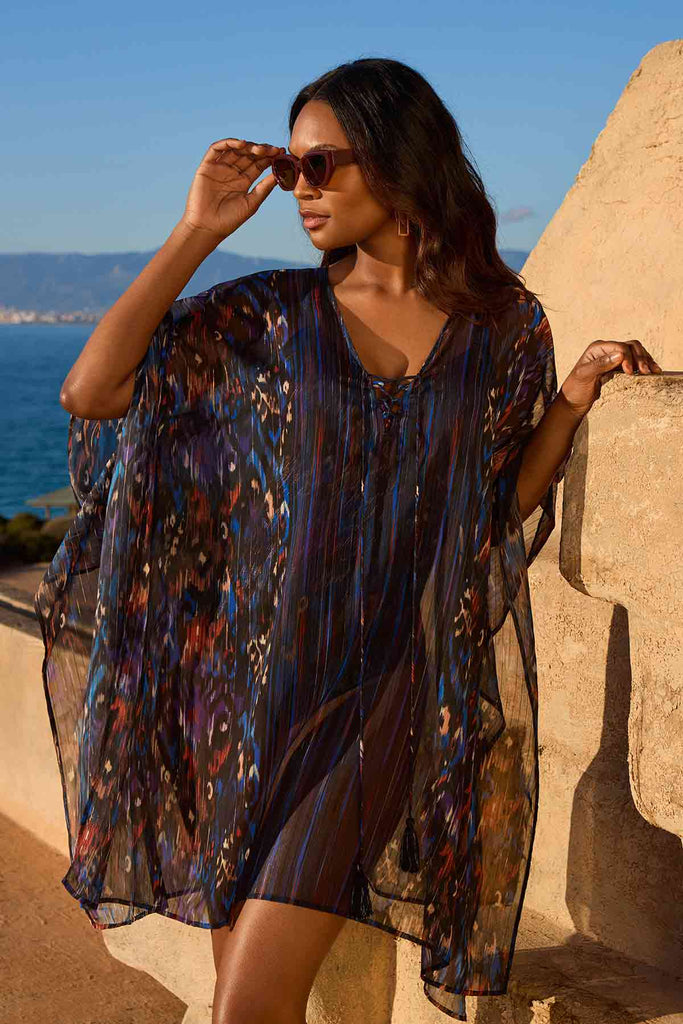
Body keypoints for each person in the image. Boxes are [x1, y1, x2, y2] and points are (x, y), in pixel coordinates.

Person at [35, 57, 661, 1024]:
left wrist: (569, 401)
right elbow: (94, 393)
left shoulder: (503, 329)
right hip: (235, 701)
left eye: (322, 164)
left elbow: (490, 513)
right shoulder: (269, 315)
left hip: (375, 700)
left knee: (251, 1005)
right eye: (290, 169)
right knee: (244, 1002)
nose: (300, 189)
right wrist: (199, 229)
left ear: (400, 163)